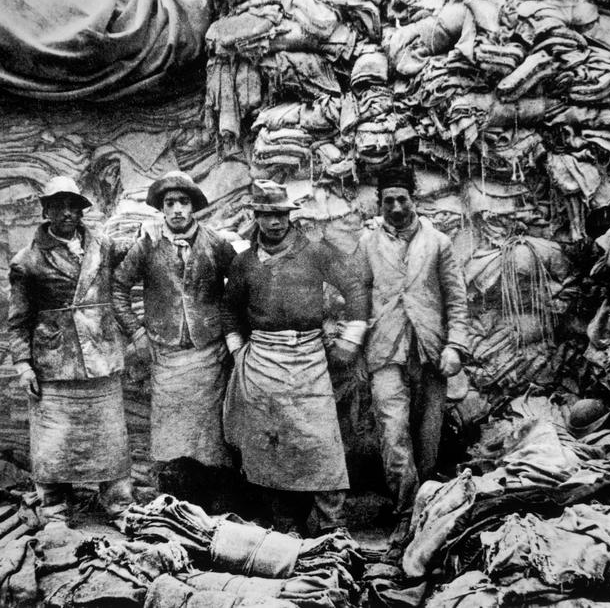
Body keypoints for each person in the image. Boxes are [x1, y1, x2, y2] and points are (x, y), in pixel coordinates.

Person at [222, 179, 368, 535]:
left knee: (321, 441)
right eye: (267, 214)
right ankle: (285, 524)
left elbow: (354, 287)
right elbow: (229, 310)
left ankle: (332, 526)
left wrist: (350, 340)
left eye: (281, 214)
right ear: (256, 216)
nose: (275, 222)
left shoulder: (315, 252)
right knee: (270, 444)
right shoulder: (244, 263)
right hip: (262, 361)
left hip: (309, 358)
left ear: (290, 216)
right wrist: (238, 351)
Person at [354, 166, 469, 558]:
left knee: (428, 439)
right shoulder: (366, 244)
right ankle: (405, 513)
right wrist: (355, 344)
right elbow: (355, 297)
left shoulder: (438, 243)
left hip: (430, 352)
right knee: (393, 433)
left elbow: (457, 300)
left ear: (413, 200)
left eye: (402, 199)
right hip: (385, 350)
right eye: (388, 201)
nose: (396, 207)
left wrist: (455, 346)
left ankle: (428, 511)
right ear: (379, 203)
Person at [8, 176, 133, 526]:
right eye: (58, 206)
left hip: (101, 354)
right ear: (46, 211)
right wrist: (23, 366)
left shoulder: (103, 245)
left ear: (81, 211)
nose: (66, 213)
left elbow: (137, 249)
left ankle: (119, 504)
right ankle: (54, 508)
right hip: (55, 361)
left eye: (73, 206)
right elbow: (18, 321)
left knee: (110, 436)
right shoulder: (27, 261)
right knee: (54, 441)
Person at [112, 171, 238, 511]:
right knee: (171, 435)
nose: (177, 209)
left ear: (193, 206)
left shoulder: (215, 243)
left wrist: (231, 333)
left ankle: (216, 505)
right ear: (161, 208)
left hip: (209, 354)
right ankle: (178, 503)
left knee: (211, 435)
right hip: (165, 356)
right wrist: (137, 332)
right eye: (170, 203)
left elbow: (241, 284)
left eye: (184, 202)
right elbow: (118, 288)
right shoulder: (148, 245)